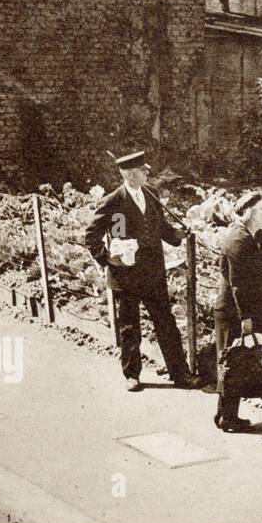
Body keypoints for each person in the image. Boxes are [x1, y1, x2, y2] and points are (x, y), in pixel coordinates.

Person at [84, 150, 199, 392]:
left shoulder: (151, 193)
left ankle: (180, 375)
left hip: (153, 272)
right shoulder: (113, 201)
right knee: (129, 326)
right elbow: (91, 235)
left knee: (166, 322)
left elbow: (162, 228)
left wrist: (177, 236)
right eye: (142, 170)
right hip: (125, 275)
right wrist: (107, 259)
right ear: (129, 174)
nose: (148, 173)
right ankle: (132, 375)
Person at [212, 192, 262, 432]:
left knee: (235, 363)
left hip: (242, 309)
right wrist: (246, 319)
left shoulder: (251, 237)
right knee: (234, 362)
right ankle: (229, 420)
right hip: (234, 311)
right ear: (251, 213)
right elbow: (238, 285)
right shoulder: (237, 240)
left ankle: (224, 415)